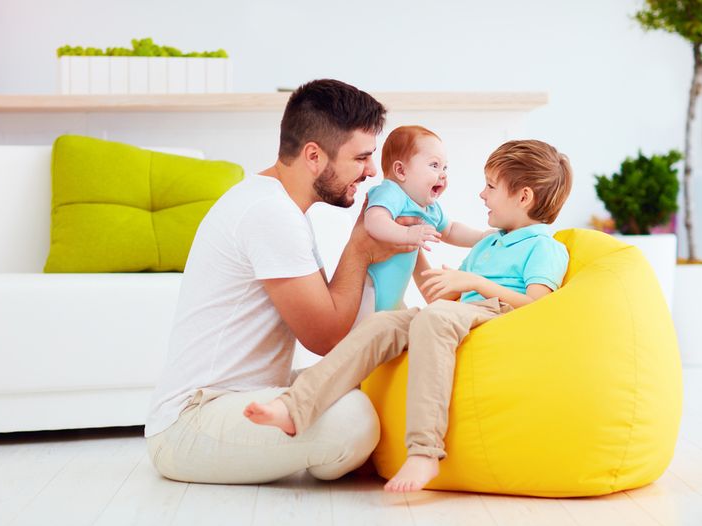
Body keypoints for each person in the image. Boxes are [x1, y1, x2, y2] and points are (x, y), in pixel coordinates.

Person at [244, 139, 573, 492]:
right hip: (458, 314)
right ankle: (296, 407)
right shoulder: (489, 243)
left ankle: (424, 452)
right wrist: (417, 255)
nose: (482, 194)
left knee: (435, 318)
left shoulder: (544, 246)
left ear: (524, 197)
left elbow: (537, 304)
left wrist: (475, 282)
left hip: (495, 316)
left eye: (491, 187)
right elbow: (441, 299)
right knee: (382, 324)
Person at [145, 79, 421, 484]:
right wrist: (360, 248)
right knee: (355, 419)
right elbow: (325, 337)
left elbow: (335, 320)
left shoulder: (280, 206)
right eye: (361, 157)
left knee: (360, 384)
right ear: (314, 155)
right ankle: (321, 453)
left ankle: (303, 447)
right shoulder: (269, 213)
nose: (372, 171)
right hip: (191, 422)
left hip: (246, 398)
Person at [359, 125, 491, 318]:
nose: (443, 174)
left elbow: (450, 230)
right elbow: (374, 221)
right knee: (366, 329)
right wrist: (407, 234)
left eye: (445, 167)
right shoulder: (391, 192)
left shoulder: (429, 208)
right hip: (367, 292)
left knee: (398, 324)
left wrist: (481, 237)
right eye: (434, 165)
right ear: (401, 171)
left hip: (393, 299)